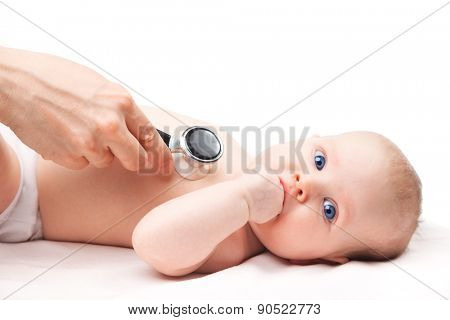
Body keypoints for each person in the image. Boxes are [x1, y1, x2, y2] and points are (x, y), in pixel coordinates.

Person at [0, 48, 422, 277]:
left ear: (325, 258)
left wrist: (240, 199)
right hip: (38, 132)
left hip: (24, 190)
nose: (304, 184)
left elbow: (153, 242)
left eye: (329, 210)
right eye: (317, 159)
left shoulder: (231, 237)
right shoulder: (246, 151)